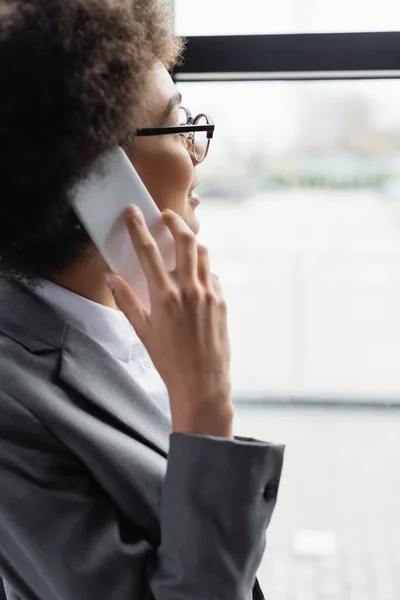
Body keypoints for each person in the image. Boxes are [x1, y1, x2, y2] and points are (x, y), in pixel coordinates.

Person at [0, 1, 285, 599]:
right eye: (179, 124)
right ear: (92, 171)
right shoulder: (10, 401)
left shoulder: (126, 321)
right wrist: (205, 411)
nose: (197, 151)